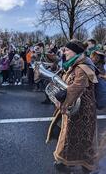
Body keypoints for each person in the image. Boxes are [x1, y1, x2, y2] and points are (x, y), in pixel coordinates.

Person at [46, 40, 98, 173]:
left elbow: (77, 87)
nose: (64, 52)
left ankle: (81, 164)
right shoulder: (74, 64)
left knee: (81, 139)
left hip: (82, 112)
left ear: (75, 51)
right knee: (72, 137)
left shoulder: (82, 67)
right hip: (75, 110)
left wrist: (63, 97)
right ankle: (66, 161)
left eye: (67, 50)